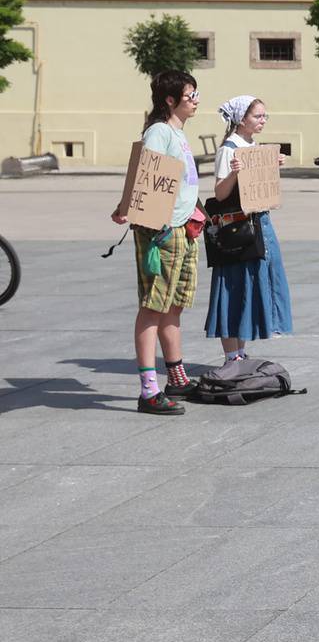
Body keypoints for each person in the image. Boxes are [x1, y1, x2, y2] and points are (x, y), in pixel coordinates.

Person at [110, 70, 203, 415]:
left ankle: (176, 376)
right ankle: (148, 389)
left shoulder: (176, 132)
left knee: (174, 304)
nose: (195, 101)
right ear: (170, 100)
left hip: (184, 228)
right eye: (190, 95)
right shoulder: (160, 132)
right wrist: (131, 207)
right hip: (162, 231)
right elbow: (145, 174)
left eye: (196, 95)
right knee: (153, 306)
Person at [204, 95, 294, 365]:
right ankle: (232, 355)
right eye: (258, 116)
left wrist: (271, 167)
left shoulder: (252, 146)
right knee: (234, 285)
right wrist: (234, 172)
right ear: (241, 119)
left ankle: (240, 353)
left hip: (259, 223)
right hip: (237, 228)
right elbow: (219, 194)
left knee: (250, 285)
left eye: (265, 116)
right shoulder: (229, 149)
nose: (263, 120)